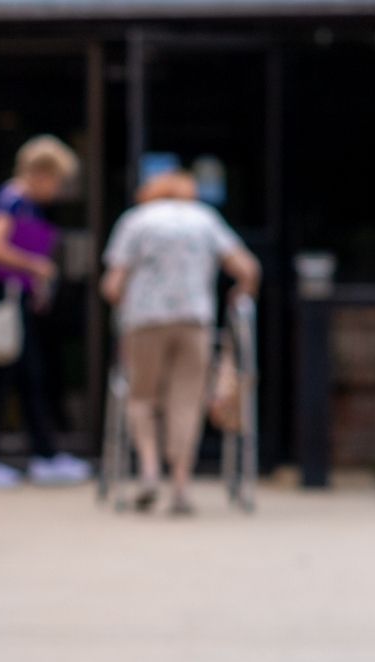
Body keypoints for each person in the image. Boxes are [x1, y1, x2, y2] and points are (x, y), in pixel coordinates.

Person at [100, 170, 260, 515]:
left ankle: (149, 470)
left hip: (144, 321)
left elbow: (113, 285)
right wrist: (239, 296)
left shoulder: (137, 221)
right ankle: (181, 485)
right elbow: (247, 269)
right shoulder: (204, 219)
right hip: (194, 320)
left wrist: (124, 299)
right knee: (186, 401)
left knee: (141, 396)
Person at [0, 135, 93, 488]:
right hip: (1, 301)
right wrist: (34, 265)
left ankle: (42, 455)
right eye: (58, 180)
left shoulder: (24, 202)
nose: (59, 189)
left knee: (28, 378)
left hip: (14, 301)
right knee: (3, 381)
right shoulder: (13, 200)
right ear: (41, 173)